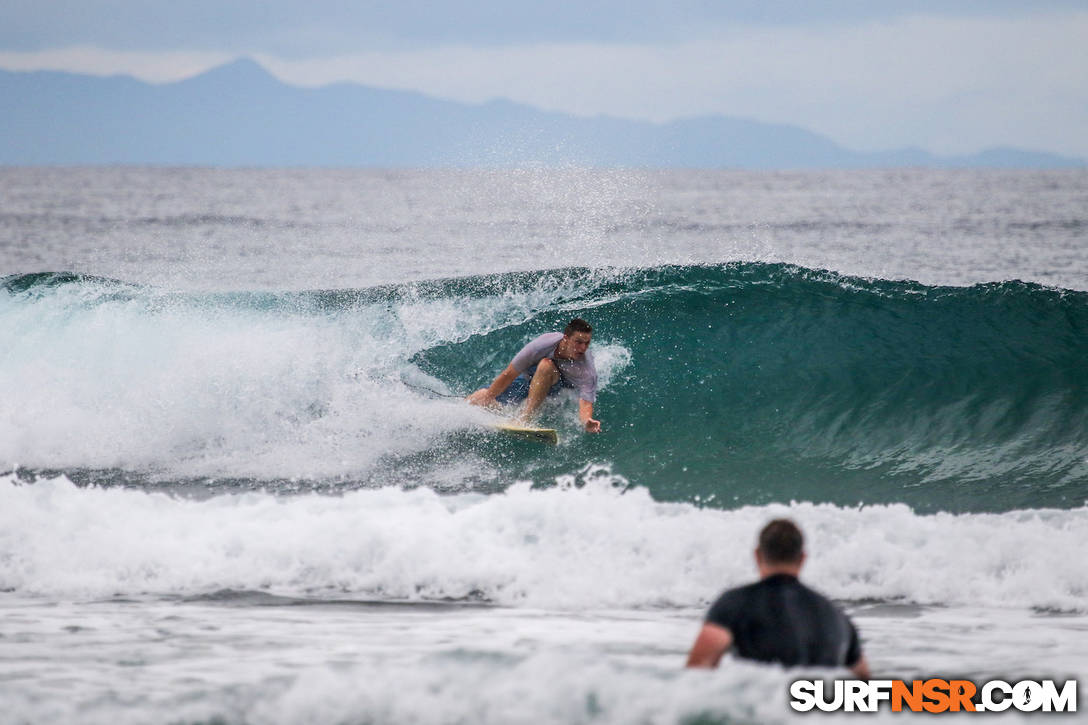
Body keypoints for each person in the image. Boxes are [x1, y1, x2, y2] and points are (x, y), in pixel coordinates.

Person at [686, 519, 870, 677]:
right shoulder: (837, 616)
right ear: (802, 558)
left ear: (758, 556)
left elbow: (696, 672)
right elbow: (864, 681)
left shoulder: (734, 604)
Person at [466, 318, 602, 433]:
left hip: (558, 387)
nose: (583, 348)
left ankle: (525, 418)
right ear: (566, 338)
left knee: (546, 365)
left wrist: (586, 421)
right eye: (578, 342)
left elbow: (585, 403)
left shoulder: (587, 368)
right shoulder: (542, 345)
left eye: (587, 343)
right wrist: (488, 397)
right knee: (478, 398)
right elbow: (509, 374)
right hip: (531, 380)